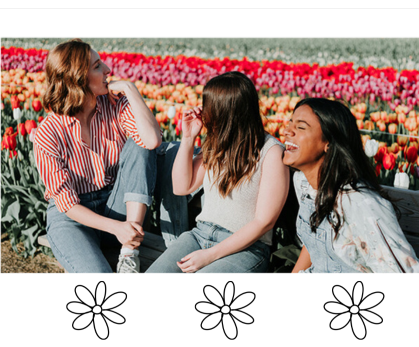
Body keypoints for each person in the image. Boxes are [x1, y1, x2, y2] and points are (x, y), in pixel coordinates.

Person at [33, 38, 198, 273]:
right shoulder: (48, 133)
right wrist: (116, 228)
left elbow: (151, 140)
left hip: (117, 207)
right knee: (100, 282)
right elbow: (67, 204)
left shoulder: (115, 105)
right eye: (97, 66)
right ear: (77, 78)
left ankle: (129, 255)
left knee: (139, 143)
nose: (108, 70)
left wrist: (131, 89)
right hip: (74, 220)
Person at [145, 71, 290, 273]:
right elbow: (181, 187)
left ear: (227, 112)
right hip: (199, 235)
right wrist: (188, 138)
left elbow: (264, 222)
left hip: (246, 248)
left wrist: (209, 256)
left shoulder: (271, 152)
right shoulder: (218, 144)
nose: (204, 112)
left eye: (209, 106)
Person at [282, 98, 419, 273]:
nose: (287, 131)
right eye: (290, 123)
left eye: (301, 127)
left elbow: (402, 274)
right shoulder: (303, 183)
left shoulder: (359, 203)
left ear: (329, 143)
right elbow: (315, 245)